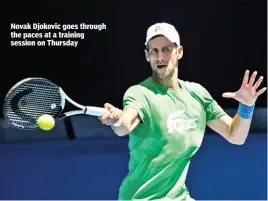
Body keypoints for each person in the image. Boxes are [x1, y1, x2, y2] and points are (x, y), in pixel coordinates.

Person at [98, 22, 266, 200]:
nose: (160, 57)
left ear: (179, 52)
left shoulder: (197, 95)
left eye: (166, 49)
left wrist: (247, 106)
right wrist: (115, 120)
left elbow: (236, 136)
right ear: (147, 55)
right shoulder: (140, 93)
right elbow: (124, 125)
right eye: (154, 51)